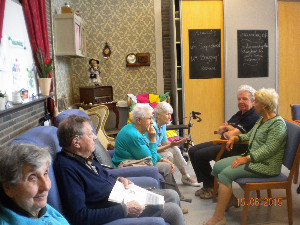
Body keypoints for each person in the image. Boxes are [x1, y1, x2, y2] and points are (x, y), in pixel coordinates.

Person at [54, 115, 185, 225]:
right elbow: (80, 216)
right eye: (90, 134)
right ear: (76, 142)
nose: (95, 137)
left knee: (171, 194)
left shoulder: (84, 156)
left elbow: (102, 176)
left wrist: (118, 179)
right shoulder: (67, 169)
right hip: (114, 211)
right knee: (173, 210)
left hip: (121, 198)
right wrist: (124, 209)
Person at [204, 88, 287, 225]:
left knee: (225, 174)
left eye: (257, 102)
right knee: (218, 166)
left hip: (266, 165)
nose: (254, 105)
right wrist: (236, 139)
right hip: (255, 160)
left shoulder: (277, 124)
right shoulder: (262, 120)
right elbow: (249, 136)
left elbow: (268, 149)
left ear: (265, 106)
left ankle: (219, 217)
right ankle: (230, 200)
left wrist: (246, 158)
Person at [189, 85, 260, 200]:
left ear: (253, 101)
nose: (241, 101)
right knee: (192, 150)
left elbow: (230, 133)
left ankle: (211, 187)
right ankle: (208, 185)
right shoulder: (240, 113)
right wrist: (228, 130)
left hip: (238, 148)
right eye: (239, 99)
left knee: (200, 155)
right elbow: (220, 129)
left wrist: (228, 130)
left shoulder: (253, 116)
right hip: (225, 143)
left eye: (244, 99)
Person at [112, 104, 184, 198]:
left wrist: (162, 159)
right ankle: (170, 197)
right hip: (127, 166)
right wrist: (153, 140)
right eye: (149, 119)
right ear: (139, 120)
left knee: (166, 161)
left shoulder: (133, 128)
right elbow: (151, 161)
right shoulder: (134, 135)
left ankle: (173, 196)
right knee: (166, 167)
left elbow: (147, 151)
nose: (152, 122)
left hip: (134, 160)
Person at [0, 144, 69, 225]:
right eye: (32, 178)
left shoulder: (39, 209)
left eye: (45, 173)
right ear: (9, 188)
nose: (46, 186)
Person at [147, 101, 199, 187]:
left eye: (170, 114)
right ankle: (168, 181)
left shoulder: (162, 125)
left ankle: (185, 176)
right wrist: (171, 145)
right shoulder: (151, 126)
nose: (170, 117)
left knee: (175, 149)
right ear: (158, 115)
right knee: (169, 154)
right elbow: (152, 149)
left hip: (156, 148)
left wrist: (175, 143)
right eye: (167, 114)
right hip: (149, 152)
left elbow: (164, 142)